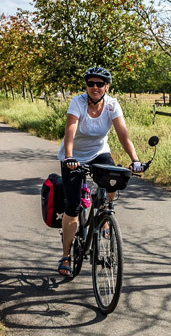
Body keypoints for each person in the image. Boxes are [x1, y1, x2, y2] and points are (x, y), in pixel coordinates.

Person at [56, 66, 143, 277]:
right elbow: (70, 131)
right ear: (86, 86)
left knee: (116, 176)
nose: (95, 87)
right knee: (72, 207)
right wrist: (69, 157)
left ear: (107, 86)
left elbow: (123, 134)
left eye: (100, 84)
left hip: (99, 152)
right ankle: (66, 255)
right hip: (74, 157)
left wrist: (135, 159)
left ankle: (105, 209)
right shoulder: (77, 102)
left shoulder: (112, 105)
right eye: (91, 83)